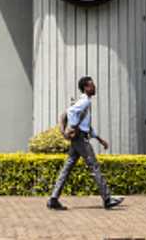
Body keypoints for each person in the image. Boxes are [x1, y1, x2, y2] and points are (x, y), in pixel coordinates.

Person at [46, 76, 124, 210]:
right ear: (86, 88)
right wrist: (72, 128)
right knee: (94, 167)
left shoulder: (83, 102)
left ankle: (53, 199)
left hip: (78, 139)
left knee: (67, 169)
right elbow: (70, 112)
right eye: (92, 85)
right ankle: (107, 199)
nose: (94, 87)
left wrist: (99, 139)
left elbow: (85, 124)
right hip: (81, 140)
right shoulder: (85, 102)